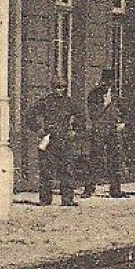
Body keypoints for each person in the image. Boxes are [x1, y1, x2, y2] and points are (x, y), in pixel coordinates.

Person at [26, 77, 85, 206]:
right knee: (46, 170)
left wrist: (75, 131)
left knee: (67, 169)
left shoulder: (70, 103)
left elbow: (81, 117)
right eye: (56, 87)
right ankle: (45, 199)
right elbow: (30, 115)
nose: (59, 90)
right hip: (49, 138)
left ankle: (67, 199)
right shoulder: (45, 102)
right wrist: (39, 129)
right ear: (52, 88)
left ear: (65, 88)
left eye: (62, 87)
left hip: (65, 139)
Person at [83, 68, 127, 198]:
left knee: (115, 159)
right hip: (99, 130)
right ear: (102, 81)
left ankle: (115, 189)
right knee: (94, 159)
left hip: (113, 130)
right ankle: (89, 188)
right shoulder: (94, 94)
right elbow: (92, 113)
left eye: (111, 81)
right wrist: (103, 105)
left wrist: (122, 123)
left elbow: (124, 110)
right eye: (106, 81)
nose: (108, 84)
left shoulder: (116, 95)